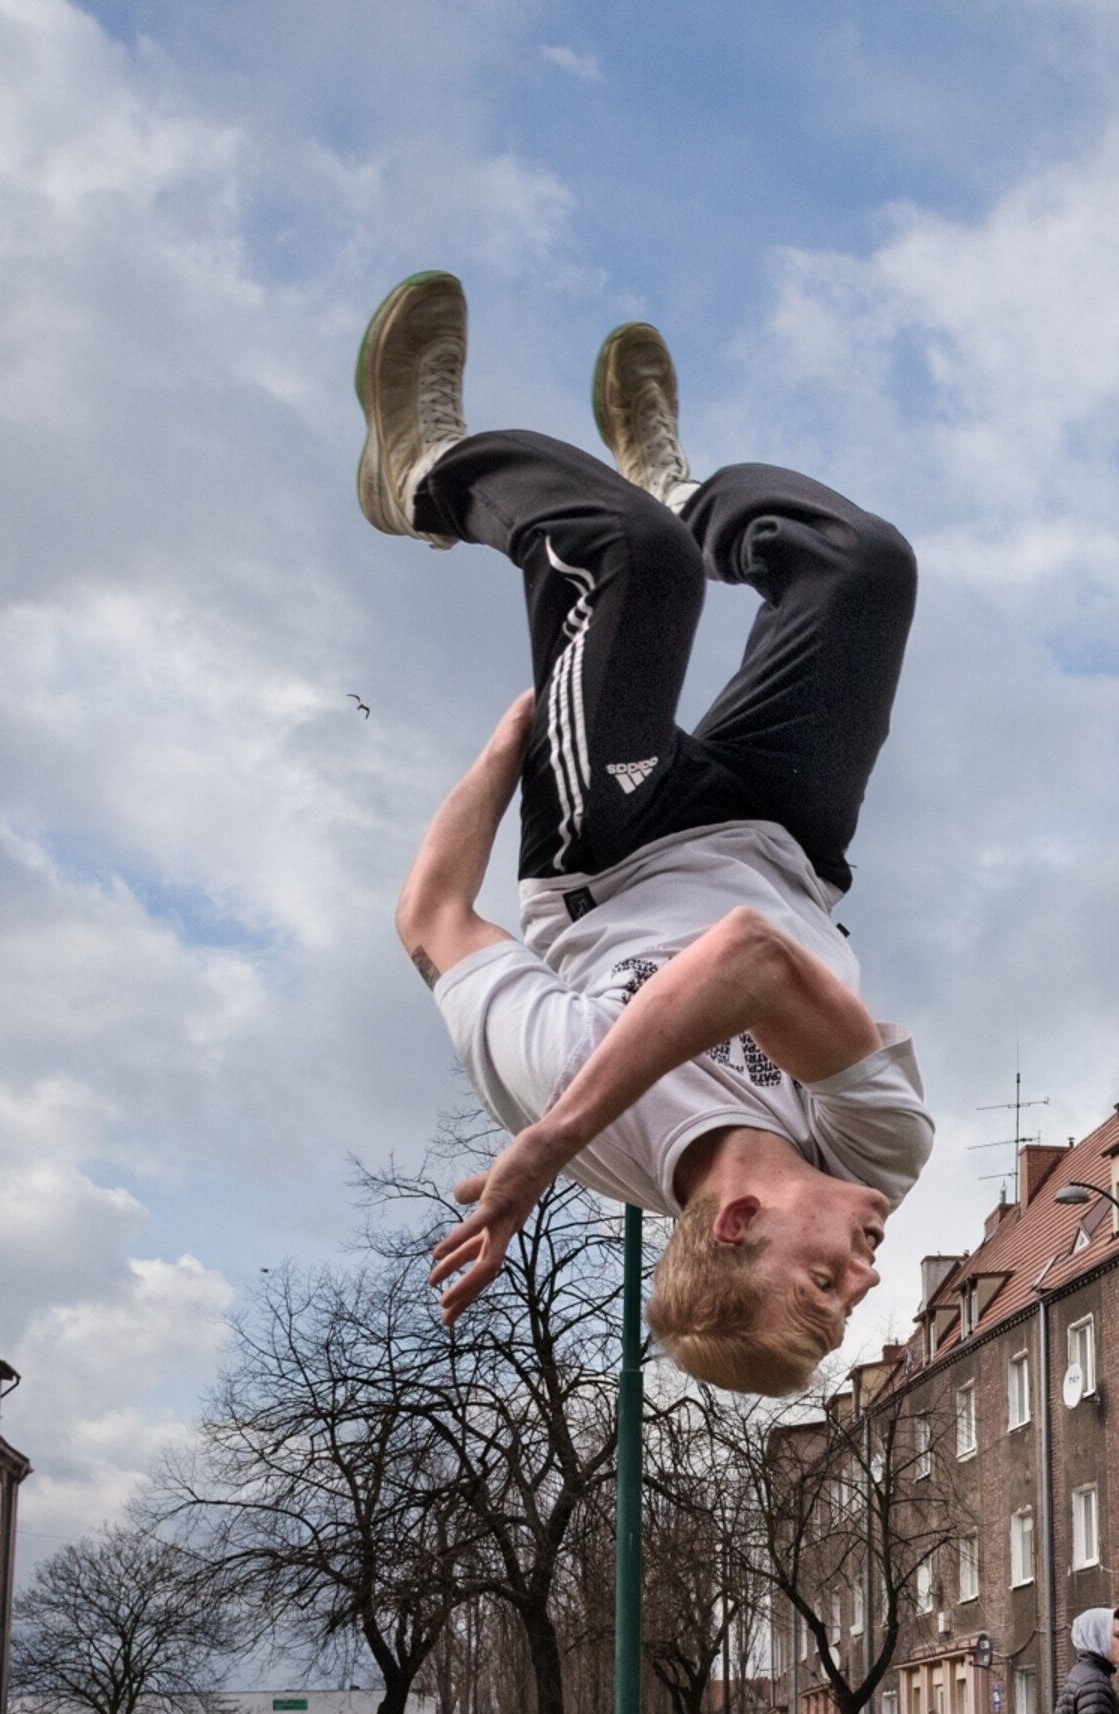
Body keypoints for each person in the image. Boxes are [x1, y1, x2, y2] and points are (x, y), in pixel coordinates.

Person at [359, 271, 934, 1392]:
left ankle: (421, 476)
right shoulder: (879, 1154)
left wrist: (502, 753)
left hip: (608, 847)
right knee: (863, 570)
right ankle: (684, 491)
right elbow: (754, 958)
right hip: (787, 844)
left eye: (820, 1288)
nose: (864, 1281)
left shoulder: (560, 1093)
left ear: (736, 1226)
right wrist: (549, 1146)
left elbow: (430, 923)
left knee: (628, 560)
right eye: (850, 1306)